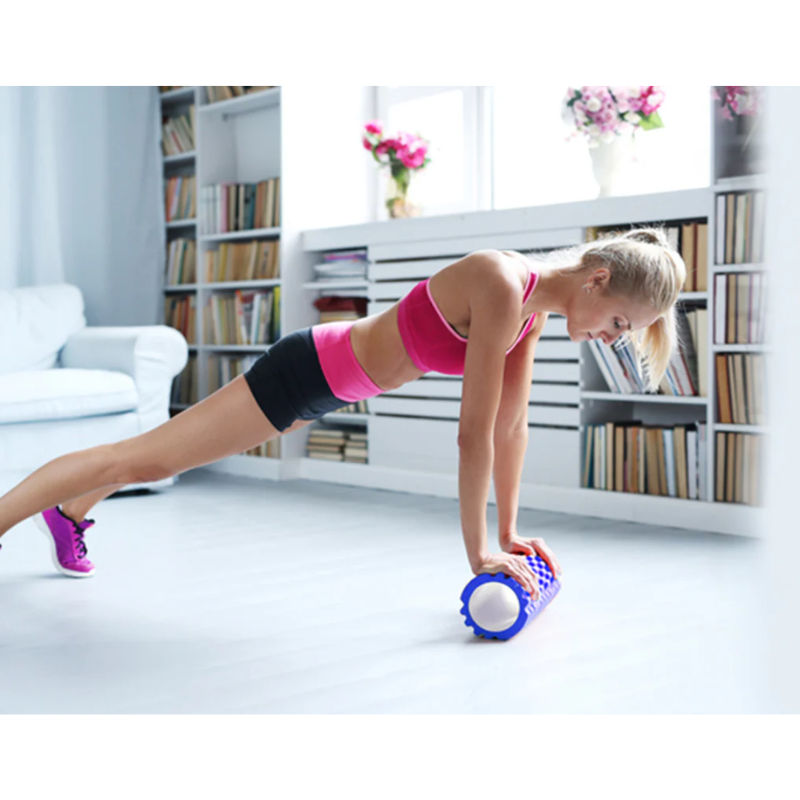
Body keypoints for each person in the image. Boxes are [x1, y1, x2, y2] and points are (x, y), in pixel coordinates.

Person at [0, 226, 685, 598]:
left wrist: (508, 533)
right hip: (308, 370)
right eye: (621, 320)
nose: (613, 336)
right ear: (597, 280)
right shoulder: (502, 284)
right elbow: (472, 434)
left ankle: (67, 514)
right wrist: (476, 549)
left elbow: (511, 428)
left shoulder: (531, 316)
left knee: (162, 451)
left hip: (331, 390)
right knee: (144, 455)